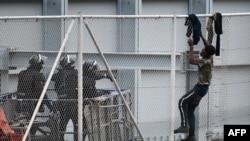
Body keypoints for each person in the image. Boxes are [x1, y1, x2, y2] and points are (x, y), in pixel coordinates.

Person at [174, 34, 216, 141]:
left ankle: (184, 126)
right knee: (190, 110)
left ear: (206, 53)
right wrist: (201, 34)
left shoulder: (205, 61)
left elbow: (191, 60)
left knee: (182, 101)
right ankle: (192, 136)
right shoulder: (210, 57)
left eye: (203, 50)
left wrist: (191, 47)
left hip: (200, 88)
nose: (201, 50)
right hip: (203, 89)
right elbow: (208, 45)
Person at [16, 54, 53, 134]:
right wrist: (50, 107)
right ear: (38, 64)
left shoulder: (22, 73)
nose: (42, 66)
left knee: (22, 128)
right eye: (41, 64)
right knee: (31, 128)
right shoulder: (37, 75)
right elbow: (42, 94)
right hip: (30, 106)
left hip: (19, 104)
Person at [82, 59, 113, 139]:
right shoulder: (85, 79)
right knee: (85, 127)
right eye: (93, 69)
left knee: (88, 127)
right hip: (84, 106)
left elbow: (96, 76)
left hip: (88, 105)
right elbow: (93, 94)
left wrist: (106, 76)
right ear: (89, 69)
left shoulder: (88, 76)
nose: (95, 71)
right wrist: (104, 93)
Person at [51, 55, 78, 141]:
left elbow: (53, 77)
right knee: (79, 125)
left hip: (61, 103)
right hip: (71, 104)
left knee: (62, 126)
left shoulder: (59, 74)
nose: (74, 65)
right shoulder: (74, 73)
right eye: (72, 63)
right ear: (68, 65)